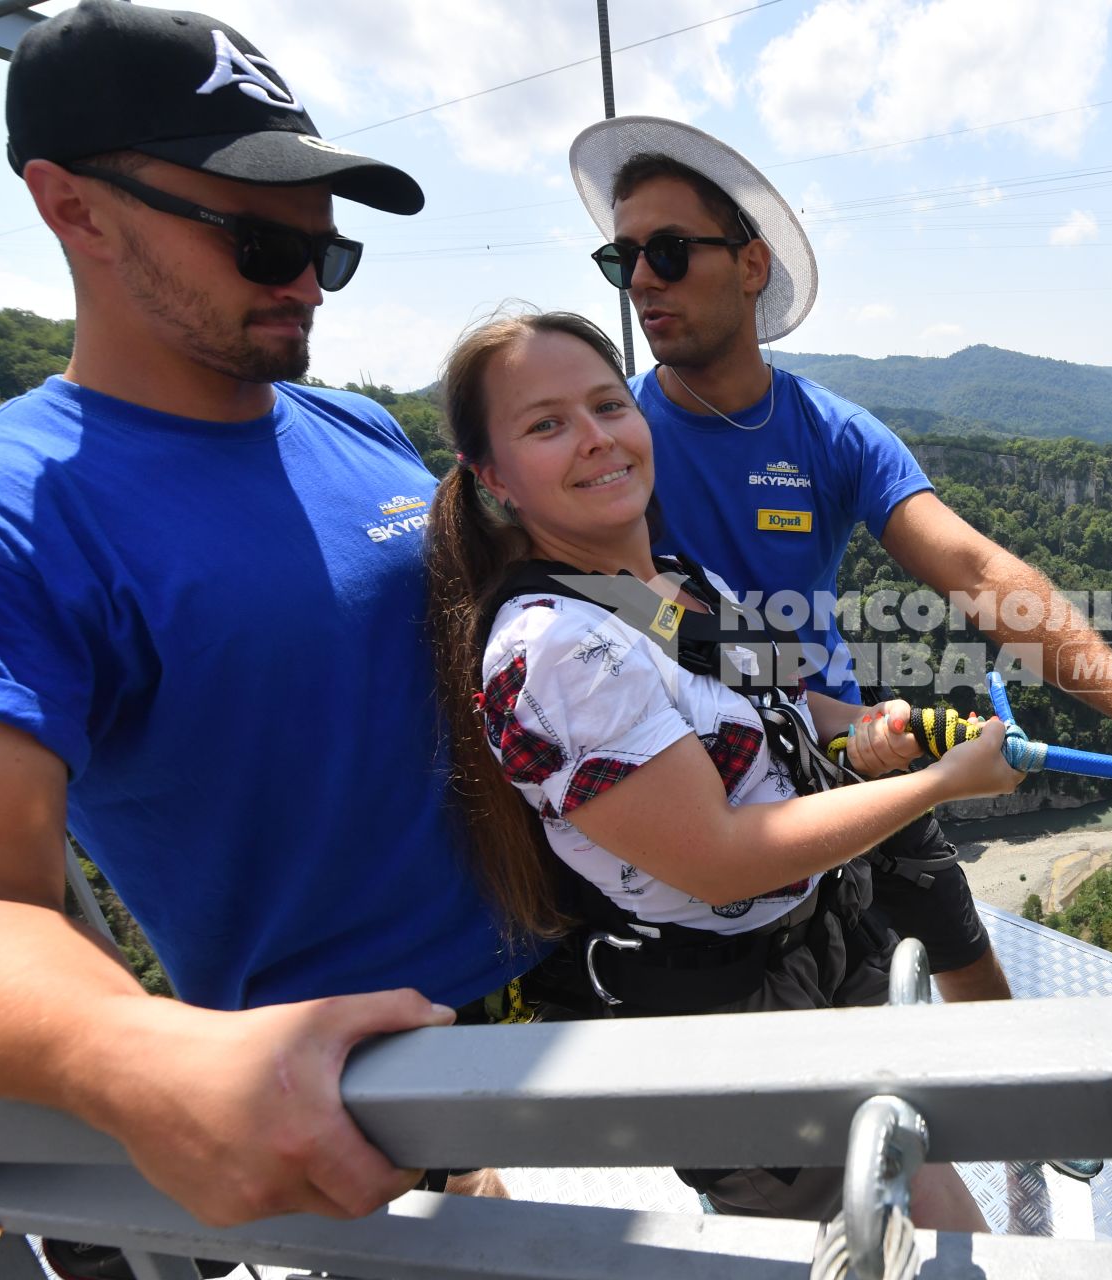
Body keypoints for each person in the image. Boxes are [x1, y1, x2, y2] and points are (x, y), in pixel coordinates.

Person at [0, 1, 528, 1257]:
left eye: (327, 253)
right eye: (263, 240)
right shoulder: (1, 512)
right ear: (73, 208)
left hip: (563, 984)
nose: (303, 285)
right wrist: (133, 1052)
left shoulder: (361, 434)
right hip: (350, 1087)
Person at [567, 120, 1112, 1019]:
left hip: (850, 753)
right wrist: (814, 714)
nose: (641, 280)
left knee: (961, 949)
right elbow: (604, 596)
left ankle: (1026, 1138)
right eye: (624, 256)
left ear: (751, 266)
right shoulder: (613, 446)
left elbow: (978, 570)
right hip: (709, 786)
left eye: (670, 252)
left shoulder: (832, 435)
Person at [424, 308, 1020, 1224]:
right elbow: (722, 857)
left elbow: (787, 698)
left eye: (607, 405)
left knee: (941, 1218)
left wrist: (870, 731)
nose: (596, 439)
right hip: (733, 1025)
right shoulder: (558, 652)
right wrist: (937, 786)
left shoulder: (663, 581)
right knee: (883, 1237)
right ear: (493, 476)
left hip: (821, 948)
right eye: (547, 424)